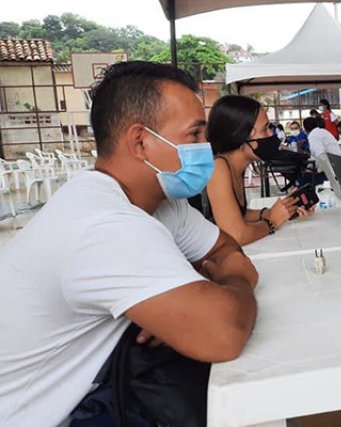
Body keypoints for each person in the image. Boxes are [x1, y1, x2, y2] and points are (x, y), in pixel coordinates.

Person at [0, 61, 259, 425]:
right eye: (195, 134)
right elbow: (223, 333)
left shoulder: (161, 204)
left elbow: (229, 251)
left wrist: (195, 291)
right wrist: (232, 284)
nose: (207, 147)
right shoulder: (103, 222)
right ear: (141, 141)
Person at [205, 95, 313, 246]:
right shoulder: (219, 169)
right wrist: (272, 222)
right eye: (265, 129)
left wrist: (275, 212)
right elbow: (236, 235)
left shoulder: (235, 166)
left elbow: (237, 215)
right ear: (240, 135)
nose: (271, 135)